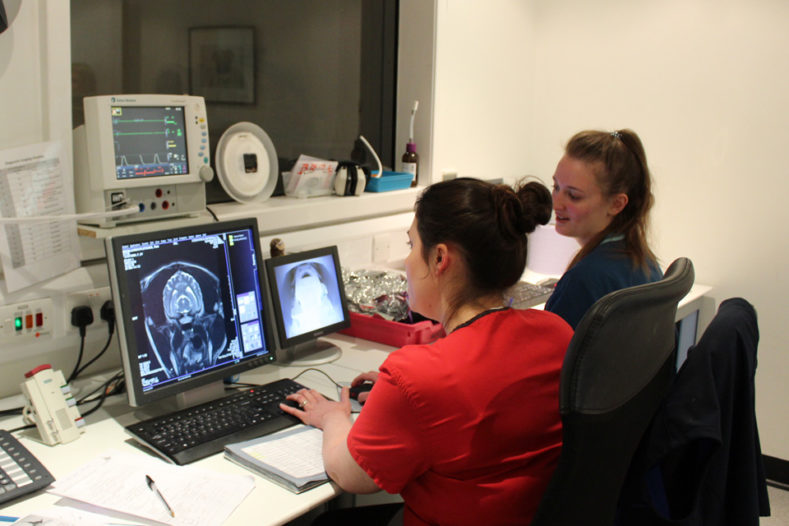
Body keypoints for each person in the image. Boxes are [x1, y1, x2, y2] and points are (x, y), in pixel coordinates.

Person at [280, 177, 574, 526]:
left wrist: (331, 418)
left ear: (439, 258)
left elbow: (351, 476)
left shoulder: (418, 376)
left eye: (411, 244)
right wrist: (397, 398)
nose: (405, 261)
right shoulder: (557, 333)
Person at [544, 129, 662, 329]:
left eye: (573, 196)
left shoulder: (583, 281)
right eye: (556, 187)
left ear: (616, 204)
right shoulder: (644, 262)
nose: (557, 203)